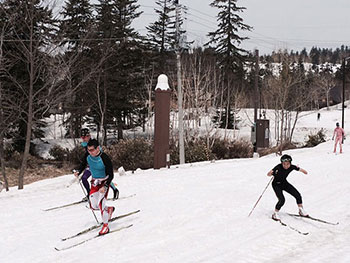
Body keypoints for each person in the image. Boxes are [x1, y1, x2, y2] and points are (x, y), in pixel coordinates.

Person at [74, 139, 115, 235]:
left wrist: (105, 186)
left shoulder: (104, 158)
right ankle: (109, 210)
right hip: (95, 182)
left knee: (101, 204)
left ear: (98, 148)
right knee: (93, 205)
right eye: (89, 150)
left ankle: (105, 226)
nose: (90, 152)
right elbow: (83, 164)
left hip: (104, 181)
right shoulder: (88, 156)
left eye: (92, 150)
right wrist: (79, 172)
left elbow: (111, 174)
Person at [77, 128, 119, 201]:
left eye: (85, 137)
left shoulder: (93, 143)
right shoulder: (85, 144)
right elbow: (86, 157)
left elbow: (98, 154)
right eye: (82, 137)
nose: (83, 139)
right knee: (84, 178)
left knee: (103, 178)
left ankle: (115, 189)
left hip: (98, 164)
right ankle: (89, 194)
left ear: (89, 136)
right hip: (90, 163)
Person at [267, 154, 308, 221]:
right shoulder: (278, 167)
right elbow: (268, 174)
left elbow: (299, 169)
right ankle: (275, 213)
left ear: (290, 163)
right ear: (282, 163)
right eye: (284, 164)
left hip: (284, 183)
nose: (286, 166)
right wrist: (271, 173)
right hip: (276, 185)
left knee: (297, 195)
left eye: (287, 164)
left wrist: (304, 172)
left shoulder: (292, 167)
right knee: (282, 200)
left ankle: (301, 210)